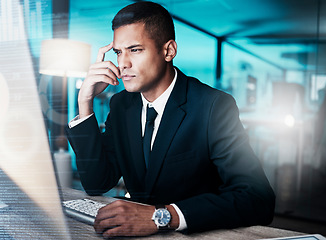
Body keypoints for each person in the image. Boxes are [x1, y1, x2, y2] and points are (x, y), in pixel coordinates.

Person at [66, 1, 275, 238]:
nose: (123, 63)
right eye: (118, 52)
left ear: (168, 51)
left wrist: (163, 217)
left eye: (135, 50)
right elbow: (97, 183)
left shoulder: (213, 106)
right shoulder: (122, 104)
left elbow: (257, 199)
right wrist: (85, 102)